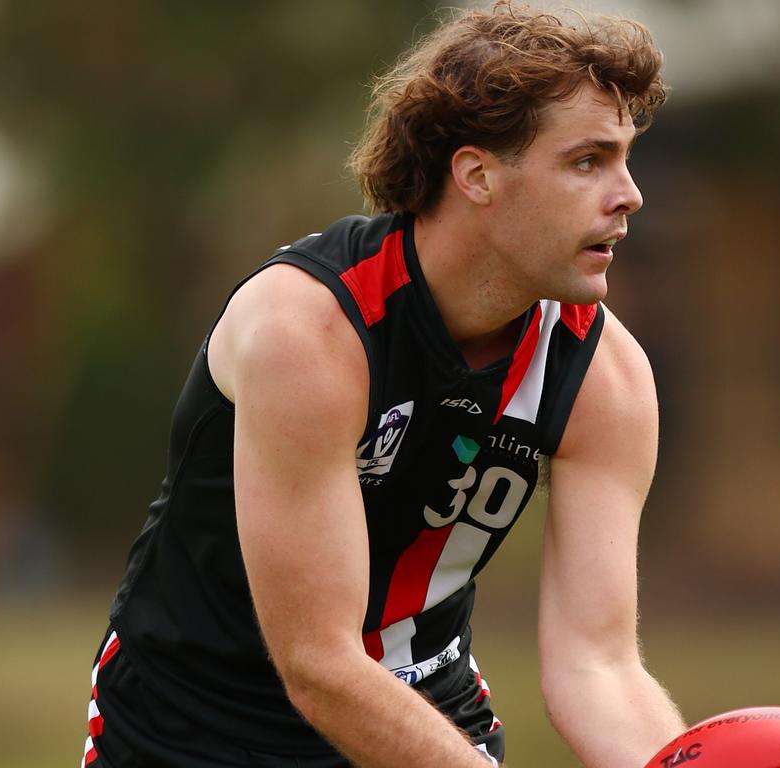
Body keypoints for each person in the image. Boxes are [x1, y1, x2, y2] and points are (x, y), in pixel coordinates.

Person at [80, 2, 685, 766]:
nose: (629, 193)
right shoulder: (310, 333)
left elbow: (597, 666)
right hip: (189, 734)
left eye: (626, 158)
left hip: (428, 718)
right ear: (477, 176)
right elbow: (320, 666)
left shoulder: (606, 378)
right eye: (588, 161)